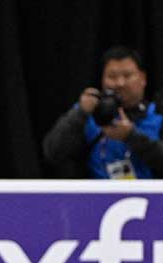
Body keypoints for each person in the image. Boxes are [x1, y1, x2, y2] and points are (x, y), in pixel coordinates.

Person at [43, 46, 163, 179]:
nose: (120, 83)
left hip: (152, 196)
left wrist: (131, 136)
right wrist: (80, 112)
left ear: (143, 78)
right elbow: (53, 152)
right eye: (112, 76)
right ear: (102, 79)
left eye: (127, 75)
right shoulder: (89, 114)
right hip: (99, 197)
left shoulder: (158, 114)